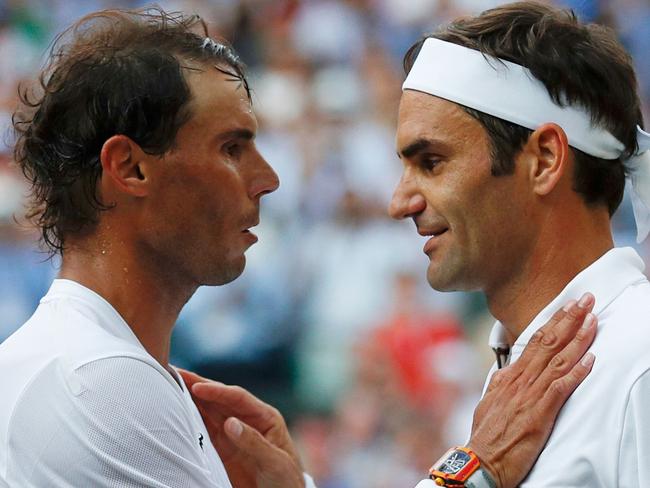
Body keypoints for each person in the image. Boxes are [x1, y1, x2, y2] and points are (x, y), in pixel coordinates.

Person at [0, 6, 596, 488]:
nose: (269, 177)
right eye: (232, 148)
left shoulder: (86, 363)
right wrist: (473, 468)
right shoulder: (98, 378)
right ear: (129, 168)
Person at [386, 2, 650, 487]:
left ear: (546, 159)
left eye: (431, 161)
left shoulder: (640, 363)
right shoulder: (516, 377)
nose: (399, 202)